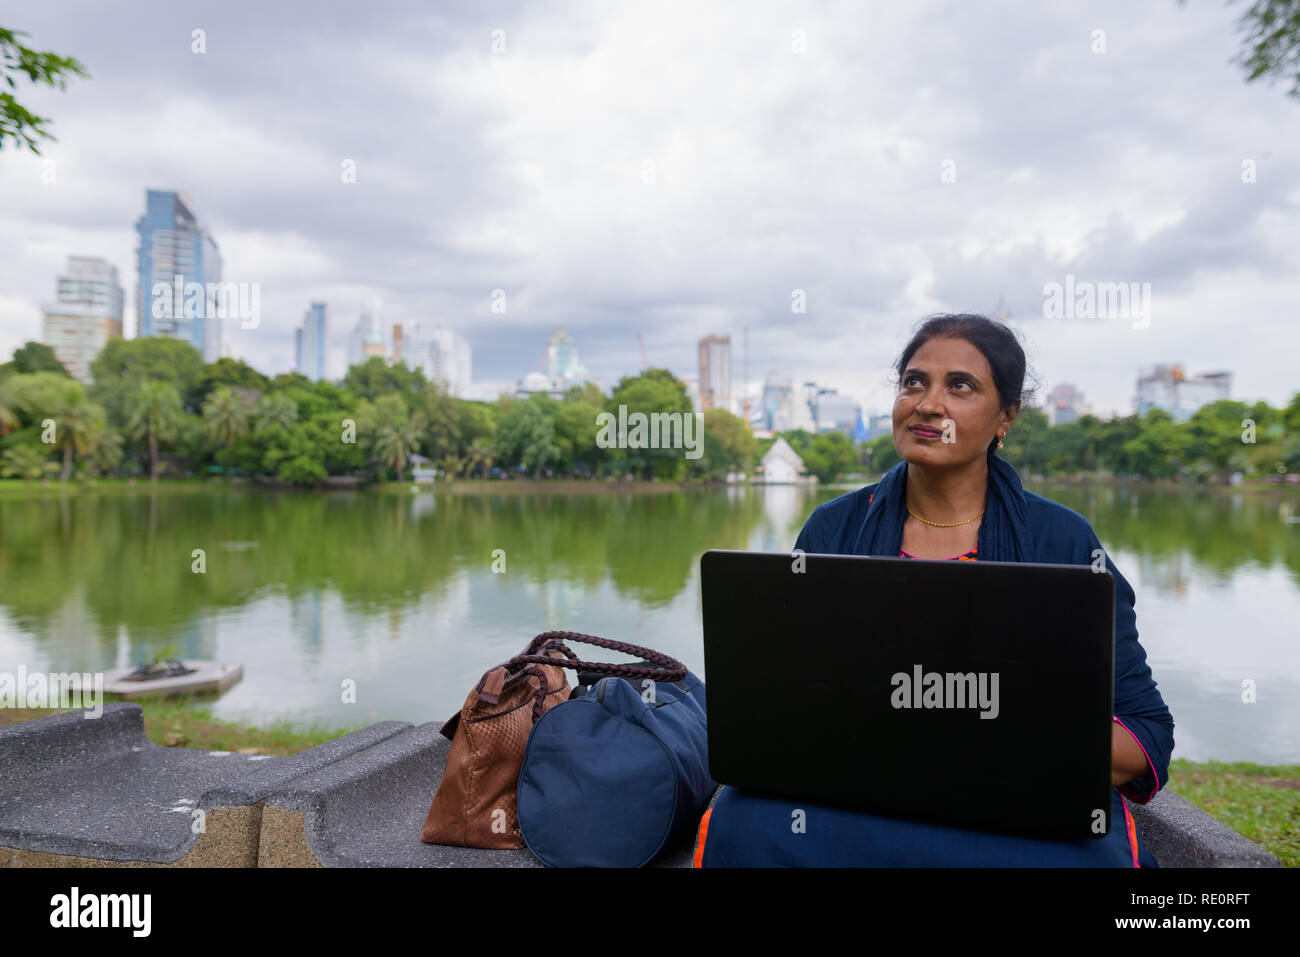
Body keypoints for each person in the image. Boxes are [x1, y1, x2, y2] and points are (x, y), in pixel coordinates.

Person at [695, 313, 1175, 867]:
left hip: (1013, 798)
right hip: (857, 789)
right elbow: (789, 701)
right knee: (743, 823)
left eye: (961, 386)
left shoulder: (1062, 540)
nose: (928, 404)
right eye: (914, 382)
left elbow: (1144, 731)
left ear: (1006, 417)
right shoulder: (834, 529)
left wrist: (988, 733)